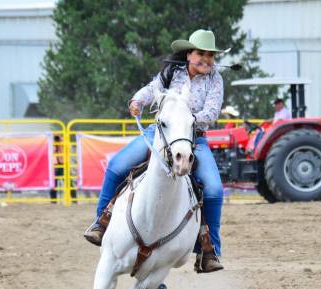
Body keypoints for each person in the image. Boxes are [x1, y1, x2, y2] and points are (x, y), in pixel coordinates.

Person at [83, 29, 227, 273]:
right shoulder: (172, 71)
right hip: (159, 133)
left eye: (210, 55)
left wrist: (185, 119)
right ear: (189, 54)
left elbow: (212, 112)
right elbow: (151, 89)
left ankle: (209, 249)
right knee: (117, 166)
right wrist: (137, 101)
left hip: (194, 137)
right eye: (201, 53)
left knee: (213, 190)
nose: (206, 59)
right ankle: (101, 223)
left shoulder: (215, 79)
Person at [50, 133, 64, 204]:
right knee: (53, 184)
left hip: (62, 164)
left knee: (69, 183)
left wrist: (60, 140)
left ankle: (73, 200)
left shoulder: (63, 143)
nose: (57, 140)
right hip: (54, 165)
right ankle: (53, 201)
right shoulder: (51, 144)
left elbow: (67, 147)